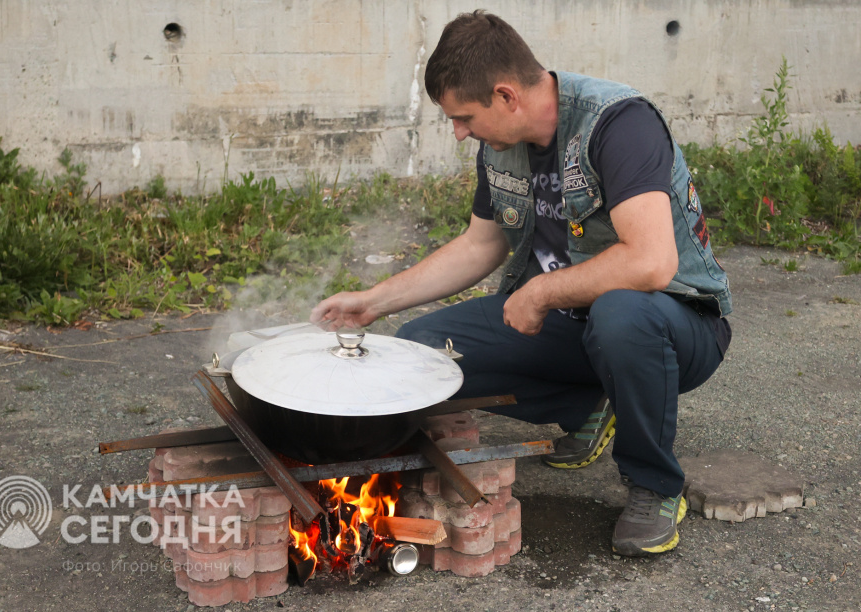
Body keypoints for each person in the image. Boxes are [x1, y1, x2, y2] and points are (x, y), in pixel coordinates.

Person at [310, 10, 731, 557]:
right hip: (577, 324)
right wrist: (373, 301)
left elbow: (651, 263)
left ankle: (654, 484)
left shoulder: (618, 123)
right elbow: (480, 245)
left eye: (463, 117)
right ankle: (592, 404)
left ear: (507, 96)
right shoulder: (501, 145)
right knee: (419, 354)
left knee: (622, 315)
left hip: (677, 325)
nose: (460, 132)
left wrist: (537, 292)